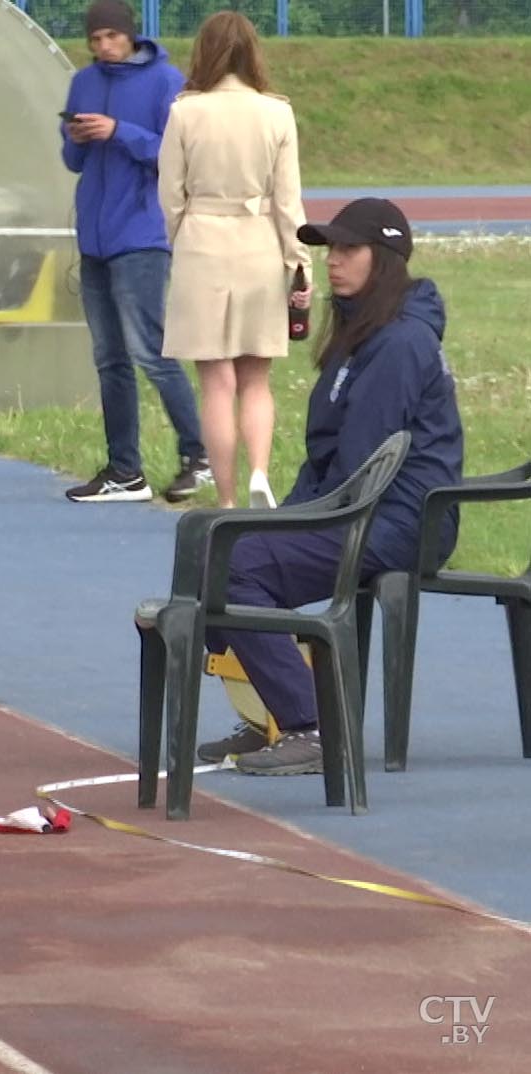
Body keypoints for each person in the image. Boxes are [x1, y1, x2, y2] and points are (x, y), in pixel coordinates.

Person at [196, 199, 463, 775]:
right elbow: (328, 459)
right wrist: (279, 519)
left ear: (385, 259)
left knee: (237, 565)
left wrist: (285, 527)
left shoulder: (398, 345)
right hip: (367, 510)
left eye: (348, 250)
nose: (333, 263)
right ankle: (268, 713)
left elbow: (362, 468)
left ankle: (311, 727)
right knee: (217, 548)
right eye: (330, 251)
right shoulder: (364, 336)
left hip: (398, 522)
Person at [158, 11, 311, 510]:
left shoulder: (185, 112)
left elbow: (169, 194)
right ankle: (261, 473)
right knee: (256, 379)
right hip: (260, 243)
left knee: (216, 384)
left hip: (203, 241)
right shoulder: (276, 113)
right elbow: (289, 202)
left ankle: (225, 499)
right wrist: (297, 262)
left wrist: (185, 235)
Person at [60, 0, 209, 505]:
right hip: (95, 236)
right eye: (95, 39)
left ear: (130, 36)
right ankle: (125, 468)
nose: (103, 46)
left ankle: (200, 455)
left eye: (111, 37)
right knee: (109, 358)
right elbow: (72, 161)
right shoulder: (83, 82)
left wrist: (119, 132)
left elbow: (177, 155)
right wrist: (77, 134)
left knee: (151, 350)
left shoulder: (167, 82)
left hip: (142, 234)